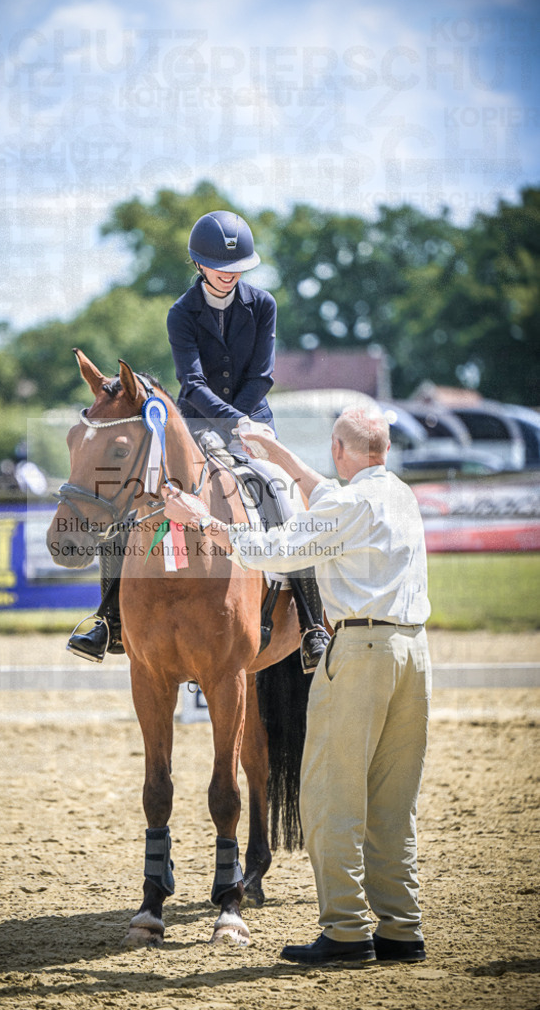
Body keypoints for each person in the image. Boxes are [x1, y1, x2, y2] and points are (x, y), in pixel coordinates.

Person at [162, 408, 432, 968]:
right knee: (393, 801)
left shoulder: (340, 505)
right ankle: (401, 928)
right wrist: (277, 455)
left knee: (330, 797)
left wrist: (200, 519)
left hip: (361, 654)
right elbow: (328, 492)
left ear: (338, 446)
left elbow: (272, 551)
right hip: (414, 656)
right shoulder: (400, 495)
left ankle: (346, 931)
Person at [68, 210, 328, 666]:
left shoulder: (262, 304)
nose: (229, 274)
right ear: (199, 264)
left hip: (254, 421)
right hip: (196, 425)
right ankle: (107, 620)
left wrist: (245, 424)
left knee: (280, 495)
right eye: (220, 267)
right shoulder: (182, 314)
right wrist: (228, 421)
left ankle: (310, 625)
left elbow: (261, 376)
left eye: (237, 267)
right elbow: (191, 384)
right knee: (136, 503)